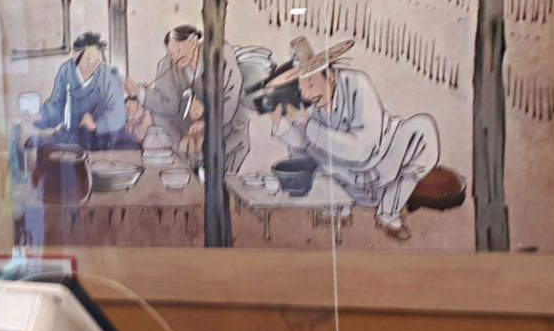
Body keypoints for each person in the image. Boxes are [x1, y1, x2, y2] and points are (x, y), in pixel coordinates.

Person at [268, 37, 440, 241]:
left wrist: (310, 127)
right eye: (301, 87)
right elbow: (303, 147)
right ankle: (339, 207)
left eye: (311, 83)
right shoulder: (310, 108)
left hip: (385, 161)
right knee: (304, 150)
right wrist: (281, 124)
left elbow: (364, 149)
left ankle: (388, 212)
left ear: (331, 76)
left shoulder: (357, 83)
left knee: (424, 129)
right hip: (346, 179)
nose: (306, 94)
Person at [126, 25, 251, 172]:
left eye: (179, 50)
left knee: (222, 179)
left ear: (193, 42)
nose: (176, 57)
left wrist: (207, 121)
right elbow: (168, 102)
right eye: (171, 53)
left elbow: (231, 95)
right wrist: (140, 92)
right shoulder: (170, 64)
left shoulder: (220, 52)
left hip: (228, 125)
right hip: (193, 132)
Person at [25, 31, 131, 150]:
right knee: (33, 145)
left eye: (97, 59)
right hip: (71, 135)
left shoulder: (107, 75)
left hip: (102, 137)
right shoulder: (66, 71)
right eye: (88, 58)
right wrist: (40, 116)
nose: (92, 63)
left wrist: (96, 125)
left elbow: (118, 112)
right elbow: (56, 105)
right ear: (75, 55)